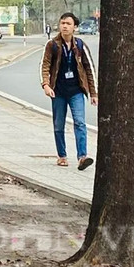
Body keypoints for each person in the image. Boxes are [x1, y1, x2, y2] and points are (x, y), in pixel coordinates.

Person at [40, 12, 97, 170]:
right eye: (62, 23)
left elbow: (89, 69)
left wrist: (93, 93)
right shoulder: (52, 45)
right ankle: (62, 156)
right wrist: (46, 85)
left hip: (76, 91)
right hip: (58, 91)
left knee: (80, 122)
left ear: (75, 27)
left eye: (68, 24)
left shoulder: (80, 46)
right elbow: (44, 66)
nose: (64, 26)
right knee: (59, 125)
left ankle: (82, 157)